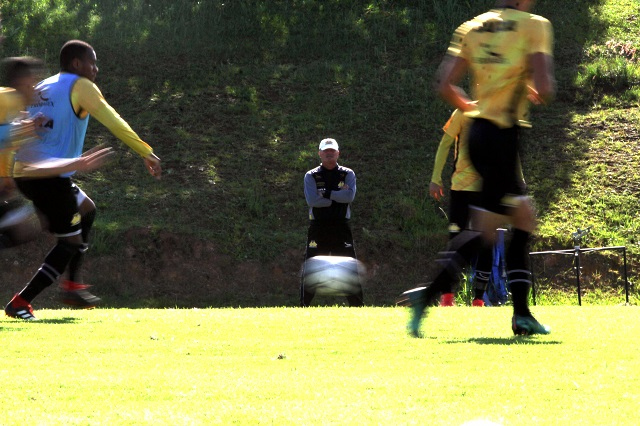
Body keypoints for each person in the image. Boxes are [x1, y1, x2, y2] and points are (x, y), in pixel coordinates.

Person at [398, 0, 555, 337]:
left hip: (479, 135)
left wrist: (474, 106)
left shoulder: (472, 27)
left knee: (519, 219)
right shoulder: (534, 25)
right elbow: (545, 87)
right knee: (492, 229)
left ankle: (521, 314)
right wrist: (528, 82)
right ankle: (428, 296)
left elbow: (445, 85)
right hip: (503, 136)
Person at [4, 40, 161, 321]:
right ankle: (21, 301)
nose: (96, 69)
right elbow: (112, 119)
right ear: (77, 64)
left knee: (87, 209)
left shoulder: (46, 86)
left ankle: (72, 285)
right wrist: (145, 151)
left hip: (29, 172)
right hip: (49, 176)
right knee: (70, 242)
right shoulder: (81, 86)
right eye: (93, 62)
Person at [430, 107, 492, 307]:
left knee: (486, 241)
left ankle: (479, 300)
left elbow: (510, 150)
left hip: (488, 189)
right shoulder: (463, 112)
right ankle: (447, 297)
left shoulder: (500, 111)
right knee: (455, 241)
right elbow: (445, 143)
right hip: (461, 188)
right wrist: (435, 178)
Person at [301, 138, 363, 307]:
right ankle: (302, 307)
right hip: (318, 227)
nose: (329, 154)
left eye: (332, 151)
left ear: (338, 153)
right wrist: (337, 196)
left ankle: (358, 308)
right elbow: (312, 201)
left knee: (349, 268)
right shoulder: (311, 175)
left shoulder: (347, 173)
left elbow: (349, 197)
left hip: (341, 226)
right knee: (312, 268)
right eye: (326, 152)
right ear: (320, 154)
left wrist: (326, 193)